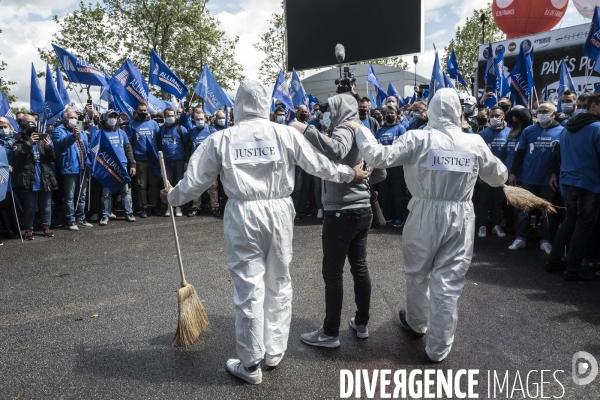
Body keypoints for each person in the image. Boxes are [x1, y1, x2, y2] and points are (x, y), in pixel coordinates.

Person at [160, 79, 368, 385]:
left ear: (238, 104)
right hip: (280, 212)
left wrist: (173, 196)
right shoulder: (283, 134)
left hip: (243, 214)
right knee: (279, 283)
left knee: (249, 289)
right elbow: (318, 164)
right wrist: (350, 173)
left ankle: (251, 363)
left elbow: (195, 181)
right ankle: (274, 350)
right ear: (265, 103)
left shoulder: (222, 139)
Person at [345, 88, 507, 362]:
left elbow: (378, 157)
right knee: (449, 282)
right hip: (460, 215)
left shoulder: (417, 138)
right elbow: (497, 177)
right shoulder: (474, 142)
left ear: (431, 110)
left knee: (417, 272)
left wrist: (359, 128)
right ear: (458, 111)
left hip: (423, 214)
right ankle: (438, 349)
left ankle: (417, 323)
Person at [297, 92, 386, 347]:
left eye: (331, 108)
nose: (328, 112)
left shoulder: (344, 129)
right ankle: (361, 323)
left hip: (341, 212)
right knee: (359, 267)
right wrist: (364, 180)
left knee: (333, 272)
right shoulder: (363, 129)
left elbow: (336, 150)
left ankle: (330, 333)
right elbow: (381, 172)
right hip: (361, 210)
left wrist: (306, 130)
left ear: (339, 110)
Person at [546, 93, 600, 281]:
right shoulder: (597, 128)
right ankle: (572, 270)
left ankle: (553, 261)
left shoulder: (567, 128)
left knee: (570, 222)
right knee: (583, 227)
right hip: (589, 183)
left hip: (568, 181)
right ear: (594, 107)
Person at [507, 102, 562, 254]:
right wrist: (513, 172)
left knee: (547, 211)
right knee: (523, 210)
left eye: (545, 111)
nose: (542, 113)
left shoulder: (562, 131)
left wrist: (555, 173)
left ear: (553, 114)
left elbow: (561, 157)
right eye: (539, 111)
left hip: (548, 179)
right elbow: (520, 153)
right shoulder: (529, 131)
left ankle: (545, 240)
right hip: (528, 177)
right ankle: (521, 238)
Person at [12, 119, 59, 240]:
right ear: (24, 131)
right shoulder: (18, 142)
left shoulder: (42, 142)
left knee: (46, 205)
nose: (33, 134)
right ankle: (28, 229)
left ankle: (46, 226)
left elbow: (52, 159)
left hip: (44, 177)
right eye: (30, 131)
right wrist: (28, 144)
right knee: (30, 206)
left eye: (35, 131)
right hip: (29, 179)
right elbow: (19, 157)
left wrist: (48, 147)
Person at [93, 110, 137, 225]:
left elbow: (128, 149)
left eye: (114, 116)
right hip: (107, 167)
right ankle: (105, 215)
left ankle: (129, 213)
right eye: (110, 116)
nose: (113, 118)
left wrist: (132, 164)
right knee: (106, 193)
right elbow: (94, 149)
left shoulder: (122, 133)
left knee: (125, 191)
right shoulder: (100, 132)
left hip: (122, 166)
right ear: (105, 118)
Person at [53, 108, 92, 231]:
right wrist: (73, 135)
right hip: (70, 167)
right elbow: (62, 143)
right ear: (65, 119)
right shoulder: (59, 130)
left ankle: (81, 218)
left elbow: (86, 145)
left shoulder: (80, 127)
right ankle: (71, 220)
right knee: (70, 196)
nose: (74, 120)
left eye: (76, 117)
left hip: (83, 166)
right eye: (71, 117)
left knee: (82, 195)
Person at [477, 105, 509, 238]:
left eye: (497, 116)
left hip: (501, 175)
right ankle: (482, 226)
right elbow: (477, 155)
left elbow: (511, 154)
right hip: (485, 175)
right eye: (492, 116)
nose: (495, 118)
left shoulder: (510, 133)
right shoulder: (482, 134)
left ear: (503, 117)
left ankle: (496, 225)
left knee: (497, 201)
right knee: (483, 200)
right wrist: (479, 173)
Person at [127, 102, 161, 218]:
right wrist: (132, 160)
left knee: (154, 184)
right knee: (141, 185)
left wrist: (160, 158)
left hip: (153, 159)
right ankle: (144, 207)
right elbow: (129, 144)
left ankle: (155, 206)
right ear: (136, 112)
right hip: (140, 159)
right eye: (140, 111)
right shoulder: (132, 125)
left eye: (144, 110)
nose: (142, 112)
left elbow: (159, 141)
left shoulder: (154, 124)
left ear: (147, 111)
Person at [375, 105, 407, 227]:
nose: (389, 115)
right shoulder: (380, 130)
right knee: (383, 192)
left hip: (396, 166)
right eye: (387, 113)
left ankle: (399, 217)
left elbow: (403, 147)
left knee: (397, 192)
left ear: (397, 114)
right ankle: (387, 215)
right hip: (382, 165)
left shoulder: (401, 128)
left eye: (392, 113)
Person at [185, 110, 220, 217]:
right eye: (197, 119)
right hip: (196, 164)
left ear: (205, 119)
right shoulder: (191, 132)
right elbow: (188, 148)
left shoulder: (211, 130)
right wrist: (187, 161)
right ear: (194, 120)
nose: (200, 121)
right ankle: (196, 207)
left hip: (209, 163)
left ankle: (214, 207)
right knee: (196, 186)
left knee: (212, 187)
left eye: (201, 119)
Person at [157, 107, 187, 217]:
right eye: (168, 116)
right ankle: (169, 207)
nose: (171, 117)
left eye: (172, 115)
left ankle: (178, 207)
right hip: (166, 163)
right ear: (164, 117)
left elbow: (186, 145)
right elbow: (159, 145)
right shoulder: (161, 130)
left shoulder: (181, 129)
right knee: (167, 186)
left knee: (179, 185)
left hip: (179, 161)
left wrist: (186, 160)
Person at [0, 117, 19, 242]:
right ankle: (8, 229)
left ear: (10, 126)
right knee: (3, 204)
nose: (3, 129)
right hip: (3, 176)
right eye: (0, 128)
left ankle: (17, 227)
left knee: (15, 204)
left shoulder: (16, 140)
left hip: (17, 176)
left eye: (4, 127)